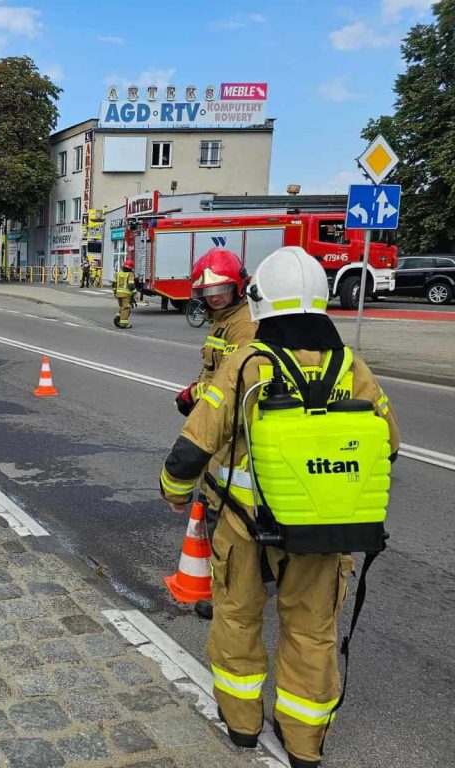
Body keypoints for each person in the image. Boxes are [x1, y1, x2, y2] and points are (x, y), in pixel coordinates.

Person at [159, 247, 399, 768]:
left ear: (258, 298)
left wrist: (175, 492)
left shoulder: (249, 363)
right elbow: (389, 445)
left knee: (238, 618)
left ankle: (242, 724)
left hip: (246, 526)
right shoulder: (351, 365)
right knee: (313, 633)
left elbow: (196, 441)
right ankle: (304, 744)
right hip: (324, 531)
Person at [175, 249, 258, 619]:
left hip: (232, 436)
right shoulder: (222, 321)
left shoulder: (245, 325)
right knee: (217, 507)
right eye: (208, 292)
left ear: (237, 286)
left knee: (225, 516)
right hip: (220, 431)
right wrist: (195, 393)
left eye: (222, 289)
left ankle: (226, 596)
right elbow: (213, 374)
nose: (215, 297)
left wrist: (198, 399)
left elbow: (234, 383)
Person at [114, 258, 135, 328]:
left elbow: (114, 284)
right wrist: (135, 293)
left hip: (118, 294)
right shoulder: (130, 274)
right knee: (126, 308)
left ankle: (118, 317)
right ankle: (123, 324)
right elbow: (131, 285)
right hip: (126, 294)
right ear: (131, 268)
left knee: (122, 307)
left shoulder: (119, 274)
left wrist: (115, 292)